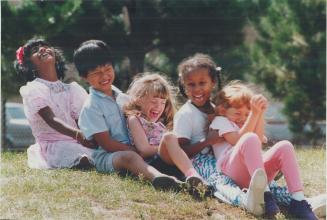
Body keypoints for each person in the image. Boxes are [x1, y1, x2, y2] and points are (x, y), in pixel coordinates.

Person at [73, 39, 182, 191]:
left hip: (138, 147)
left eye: (107, 69)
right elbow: (107, 143)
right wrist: (135, 150)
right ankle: (159, 178)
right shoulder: (91, 106)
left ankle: (186, 174)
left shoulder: (122, 97)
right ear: (84, 77)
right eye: (97, 73)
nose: (104, 76)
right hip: (110, 155)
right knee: (130, 158)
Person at [209, 81, 318, 219]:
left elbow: (258, 139)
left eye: (246, 114)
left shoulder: (250, 120)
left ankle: (298, 200)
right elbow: (238, 140)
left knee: (285, 146)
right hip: (231, 172)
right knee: (249, 138)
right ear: (223, 111)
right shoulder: (220, 121)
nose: (243, 118)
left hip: (257, 176)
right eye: (238, 113)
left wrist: (259, 113)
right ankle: (265, 196)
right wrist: (253, 114)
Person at [15, 38, 96, 169]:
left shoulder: (72, 89)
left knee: (102, 152)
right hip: (54, 144)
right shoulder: (33, 89)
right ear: (30, 65)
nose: (42, 49)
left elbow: (83, 119)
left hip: (78, 140)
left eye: (46, 46)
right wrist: (78, 135)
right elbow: (51, 119)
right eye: (35, 50)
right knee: (81, 158)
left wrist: (91, 137)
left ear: (56, 57)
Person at [124, 73, 206, 191]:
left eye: (163, 102)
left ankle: (193, 178)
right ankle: (192, 175)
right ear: (139, 99)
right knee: (169, 138)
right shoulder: (134, 120)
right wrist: (170, 147)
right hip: (152, 164)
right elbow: (144, 150)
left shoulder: (160, 124)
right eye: (154, 101)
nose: (159, 106)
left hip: (169, 163)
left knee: (171, 138)